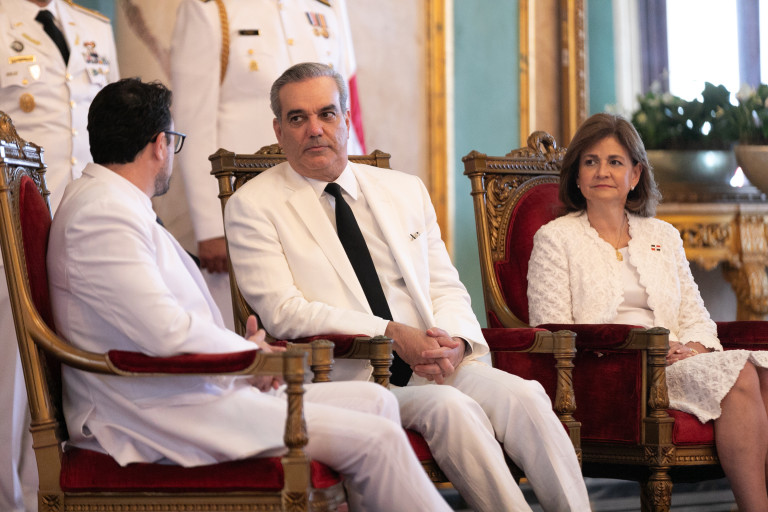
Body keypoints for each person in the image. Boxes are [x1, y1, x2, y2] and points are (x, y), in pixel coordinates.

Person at [46, 77, 450, 512]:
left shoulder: (110, 202)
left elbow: (157, 324)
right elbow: (166, 331)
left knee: (375, 401)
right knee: (379, 437)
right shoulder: (103, 214)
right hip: (153, 410)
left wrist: (243, 354)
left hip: (179, 387)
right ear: (161, 144)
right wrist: (250, 359)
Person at [224, 62, 591, 512]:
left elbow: (445, 284)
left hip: (436, 362)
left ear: (346, 119)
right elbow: (285, 311)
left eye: (327, 114)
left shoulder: (404, 190)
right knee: (451, 409)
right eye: (298, 118)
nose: (314, 129)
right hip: (349, 378)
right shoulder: (252, 206)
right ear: (279, 130)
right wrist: (392, 335)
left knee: (527, 396)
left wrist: (456, 342)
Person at [527, 112, 768, 512]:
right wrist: (649, 350)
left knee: (764, 372)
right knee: (741, 373)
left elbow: (696, 315)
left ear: (635, 174)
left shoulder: (663, 236)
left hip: (678, 361)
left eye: (615, 161)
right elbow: (551, 328)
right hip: (612, 371)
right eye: (590, 162)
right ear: (577, 176)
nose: (602, 171)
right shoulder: (555, 239)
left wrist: (691, 349)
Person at [167, 0, 365, 329]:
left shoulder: (324, 11)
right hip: (244, 204)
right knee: (245, 328)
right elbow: (194, 121)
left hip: (320, 200)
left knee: (323, 318)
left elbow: (341, 117)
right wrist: (212, 227)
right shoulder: (212, 9)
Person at [0, 1, 118, 510]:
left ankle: (55, 493)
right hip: (11, 226)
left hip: (87, 224)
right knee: (13, 376)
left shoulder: (93, 27)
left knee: (77, 373)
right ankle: (11, 500)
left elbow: (116, 131)